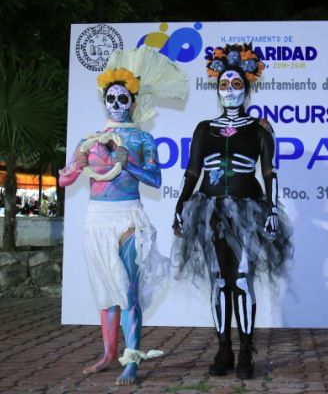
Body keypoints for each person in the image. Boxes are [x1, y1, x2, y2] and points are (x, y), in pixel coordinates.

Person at [59, 46, 188, 385]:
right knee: (106, 291)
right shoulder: (90, 139)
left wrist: (127, 161)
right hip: (96, 219)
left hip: (128, 217)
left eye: (122, 98)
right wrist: (77, 166)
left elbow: (155, 179)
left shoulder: (143, 138)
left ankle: (130, 359)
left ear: (133, 101)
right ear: (104, 101)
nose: (116, 104)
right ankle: (107, 354)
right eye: (111, 98)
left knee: (127, 290)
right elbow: (64, 179)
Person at [172, 43, 292, 379]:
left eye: (236, 84)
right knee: (218, 279)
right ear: (217, 89)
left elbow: (269, 173)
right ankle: (223, 348)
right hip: (209, 211)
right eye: (223, 84)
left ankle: (246, 351)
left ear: (247, 89)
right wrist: (180, 205)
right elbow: (192, 172)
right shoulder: (203, 128)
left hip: (247, 211)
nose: (229, 90)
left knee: (241, 278)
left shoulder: (259, 130)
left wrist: (271, 210)